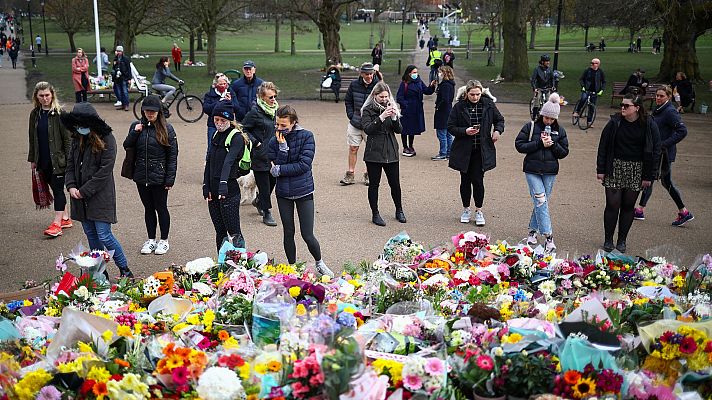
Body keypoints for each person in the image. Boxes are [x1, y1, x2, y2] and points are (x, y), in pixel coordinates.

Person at [61, 102, 134, 278]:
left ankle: (124, 269)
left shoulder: (107, 139)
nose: (80, 128)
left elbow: (104, 171)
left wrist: (83, 190)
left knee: (104, 235)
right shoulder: (76, 138)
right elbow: (70, 165)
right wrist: (70, 186)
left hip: (99, 196)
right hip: (79, 197)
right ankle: (100, 272)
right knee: (91, 235)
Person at [267, 105, 333, 277]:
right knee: (288, 232)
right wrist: (283, 149)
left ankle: (320, 262)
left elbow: (304, 165)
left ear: (294, 122)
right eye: (278, 125)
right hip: (283, 194)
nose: (280, 129)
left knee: (307, 234)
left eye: (284, 126)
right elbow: (273, 160)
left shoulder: (306, 136)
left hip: (304, 191)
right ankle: (292, 267)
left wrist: (280, 170)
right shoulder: (275, 140)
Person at [596, 94, 661, 253]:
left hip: (637, 169)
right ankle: (608, 239)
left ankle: (622, 240)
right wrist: (601, 169)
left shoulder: (649, 124)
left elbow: (656, 151)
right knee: (612, 204)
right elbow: (603, 145)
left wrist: (649, 176)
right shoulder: (614, 122)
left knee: (628, 206)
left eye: (627, 106)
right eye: (622, 105)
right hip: (615, 166)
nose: (623, 108)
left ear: (637, 108)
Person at [123, 95, 178, 255]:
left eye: (153, 111)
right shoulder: (136, 126)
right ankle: (151, 239)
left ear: (159, 112)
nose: (150, 114)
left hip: (159, 176)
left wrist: (170, 179)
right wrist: (135, 132)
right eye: (147, 111)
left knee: (161, 208)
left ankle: (164, 240)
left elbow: (172, 155)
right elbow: (127, 144)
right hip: (141, 174)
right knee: (148, 208)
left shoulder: (167, 129)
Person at [515, 93, 569, 252]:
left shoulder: (560, 131)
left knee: (542, 202)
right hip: (532, 169)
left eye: (552, 119)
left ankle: (532, 231)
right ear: (542, 115)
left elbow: (564, 152)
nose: (549, 121)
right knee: (540, 199)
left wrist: (552, 145)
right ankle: (549, 236)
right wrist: (539, 143)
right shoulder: (530, 127)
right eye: (546, 118)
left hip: (550, 171)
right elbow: (519, 145)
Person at [448, 80, 505, 227]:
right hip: (464, 150)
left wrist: (497, 131)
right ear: (466, 93)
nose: (475, 97)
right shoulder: (459, 107)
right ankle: (466, 209)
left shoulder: (488, 104)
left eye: (478, 94)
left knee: (478, 181)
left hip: (482, 150)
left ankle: (479, 210)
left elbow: (499, 120)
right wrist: (464, 131)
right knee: (465, 181)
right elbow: (451, 126)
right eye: (472, 94)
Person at [634, 86, 693, 226]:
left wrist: (663, 144)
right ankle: (682, 211)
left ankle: (683, 212)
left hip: (663, 154)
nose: (658, 98)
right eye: (657, 95)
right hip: (657, 152)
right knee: (660, 180)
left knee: (657, 180)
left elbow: (682, 131)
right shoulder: (659, 109)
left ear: (668, 97)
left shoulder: (670, 111)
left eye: (661, 96)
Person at [27, 82, 73, 237]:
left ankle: (57, 224)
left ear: (52, 94)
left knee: (59, 190)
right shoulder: (35, 114)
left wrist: (69, 161)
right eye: (41, 96)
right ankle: (66, 218)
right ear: (37, 97)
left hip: (58, 160)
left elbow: (67, 140)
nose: (45, 98)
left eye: (47, 95)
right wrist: (33, 159)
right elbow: (32, 138)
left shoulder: (60, 114)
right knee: (53, 187)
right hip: (42, 159)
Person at [203, 101, 247, 252]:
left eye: (223, 120)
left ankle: (240, 267)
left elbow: (228, 162)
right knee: (220, 232)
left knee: (234, 232)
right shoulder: (215, 134)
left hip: (229, 191)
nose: (219, 123)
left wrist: (223, 185)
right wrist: (206, 186)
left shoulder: (236, 138)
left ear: (230, 120)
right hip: (213, 192)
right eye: (216, 120)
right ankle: (222, 265)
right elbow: (209, 162)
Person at [360, 81, 405, 227]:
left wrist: (393, 117)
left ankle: (399, 210)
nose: (385, 100)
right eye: (381, 97)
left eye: (386, 97)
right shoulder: (367, 110)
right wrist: (381, 117)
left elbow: (399, 130)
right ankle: (375, 213)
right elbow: (367, 129)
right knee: (374, 184)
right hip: (374, 153)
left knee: (395, 184)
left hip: (391, 151)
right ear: (375, 95)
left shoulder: (392, 107)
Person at [242, 81, 280, 226]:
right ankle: (267, 212)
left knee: (272, 182)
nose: (274, 99)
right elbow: (243, 128)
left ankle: (259, 201)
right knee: (264, 185)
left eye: (275, 96)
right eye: (270, 97)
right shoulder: (255, 112)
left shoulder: (276, 110)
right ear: (262, 97)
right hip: (259, 154)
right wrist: (256, 143)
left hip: (274, 154)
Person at [340, 62, 379, 185]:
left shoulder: (378, 85)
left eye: (371, 74)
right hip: (355, 122)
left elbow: (384, 102)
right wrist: (351, 115)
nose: (369, 76)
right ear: (361, 74)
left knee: (371, 150)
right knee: (353, 148)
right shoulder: (354, 85)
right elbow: (348, 101)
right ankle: (350, 174)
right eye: (366, 74)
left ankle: (369, 174)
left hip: (371, 124)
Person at [396, 65, 436, 157]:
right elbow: (399, 97)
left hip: (417, 109)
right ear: (409, 73)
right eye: (414, 72)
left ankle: (411, 145)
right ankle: (405, 146)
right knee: (405, 129)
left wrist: (432, 86)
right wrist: (406, 105)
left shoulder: (418, 81)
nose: (415, 74)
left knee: (412, 129)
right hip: (407, 109)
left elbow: (426, 91)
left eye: (416, 72)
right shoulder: (404, 83)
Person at [202, 73, 232, 158]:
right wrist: (220, 101)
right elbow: (206, 109)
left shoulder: (231, 93)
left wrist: (230, 102)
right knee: (211, 147)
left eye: (224, 84)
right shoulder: (209, 95)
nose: (222, 86)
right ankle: (208, 166)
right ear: (215, 84)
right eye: (220, 84)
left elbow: (236, 107)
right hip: (213, 125)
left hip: (228, 125)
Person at [573, 58, 606, 126]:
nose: (592, 64)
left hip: (595, 91)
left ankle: (589, 121)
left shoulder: (600, 72)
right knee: (583, 98)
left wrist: (601, 90)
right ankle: (577, 111)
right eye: (591, 63)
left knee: (592, 107)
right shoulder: (587, 71)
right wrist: (583, 86)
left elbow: (604, 82)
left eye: (594, 63)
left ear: (598, 64)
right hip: (587, 90)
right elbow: (581, 79)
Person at [432, 65, 455, 160]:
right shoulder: (450, 84)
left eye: (440, 72)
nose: (439, 74)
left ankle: (443, 153)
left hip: (443, 112)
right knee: (448, 134)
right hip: (448, 110)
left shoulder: (445, 85)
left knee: (442, 133)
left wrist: (438, 107)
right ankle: (449, 152)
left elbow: (445, 99)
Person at [111, 45, 132, 111]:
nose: (118, 52)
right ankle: (122, 104)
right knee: (119, 91)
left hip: (124, 77)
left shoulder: (125, 59)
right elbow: (113, 68)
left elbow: (129, 68)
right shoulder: (115, 59)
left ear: (122, 52)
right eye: (117, 51)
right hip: (117, 77)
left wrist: (129, 78)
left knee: (125, 91)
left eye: (119, 51)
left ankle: (126, 105)